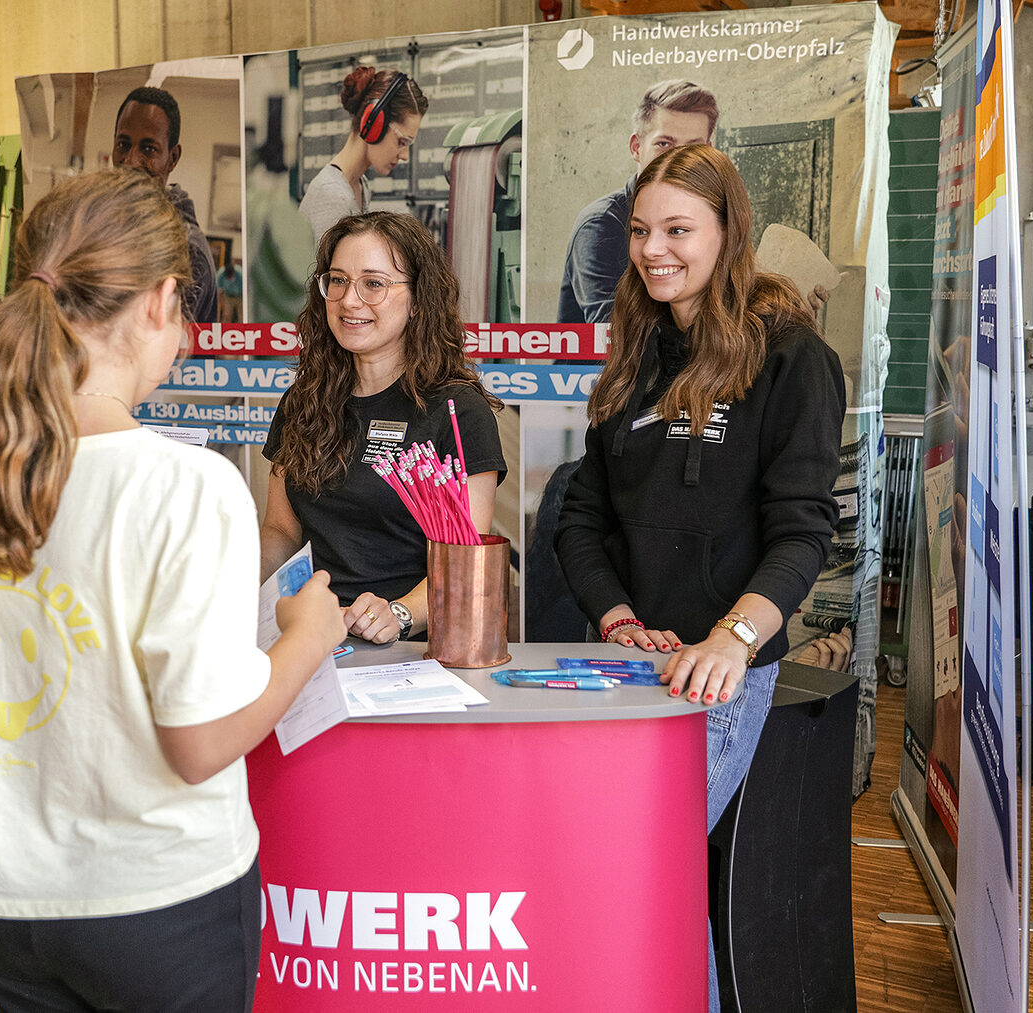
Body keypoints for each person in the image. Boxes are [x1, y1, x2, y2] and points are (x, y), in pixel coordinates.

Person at [0, 169, 345, 1012]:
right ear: (158, 301)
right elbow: (197, 743)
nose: (184, 337)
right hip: (161, 903)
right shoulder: (186, 485)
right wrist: (304, 639)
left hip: (6, 904)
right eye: (184, 312)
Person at [553, 144, 843, 1011]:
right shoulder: (637, 355)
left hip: (723, 678)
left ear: (728, 233)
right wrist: (613, 617)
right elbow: (581, 520)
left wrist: (734, 637)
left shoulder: (791, 359)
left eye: (679, 229)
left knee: (643, 864)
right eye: (642, 229)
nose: (653, 250)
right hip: (631, 664)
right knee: (643, 877)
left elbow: (803, 530)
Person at [261, 211, 506, 644]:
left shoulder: (458, 411)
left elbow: (466, 560)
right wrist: (225, 585)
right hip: (318, 639)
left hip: (415, 648)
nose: (349, 300)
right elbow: (281, 531)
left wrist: (399, 614)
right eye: (337, 281)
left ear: (417, 299)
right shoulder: (305, 399)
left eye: (373, 284)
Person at [557, 79, 718, 324]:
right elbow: (612, 336)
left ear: (710, 151)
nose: (678, 159)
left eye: (693, 148)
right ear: (636, 147)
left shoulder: (714, 215)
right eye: (664, 144)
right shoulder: (601, 224)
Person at [112, 85, 218, 323]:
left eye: (148, 149)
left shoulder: (185, 250)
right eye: (123, 144)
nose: (130, 160)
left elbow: (154, 349)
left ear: (172, 158)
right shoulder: (122, 227)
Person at [299, 66, 428, 242]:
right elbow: (322, 269)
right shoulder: (333, 195)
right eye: (402, 141)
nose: (405, 155)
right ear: (374, 123)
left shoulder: (361, 185)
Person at [217, 258, 242, 323]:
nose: (231, 280)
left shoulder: (240, 274)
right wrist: (221, 303)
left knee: (241, 315)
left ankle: (243, 329)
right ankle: (225, 329)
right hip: (228, 295)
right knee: (226, 315)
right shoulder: (220, 274)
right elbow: (218, 291)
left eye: (231, 277)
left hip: (240, 296)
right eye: (229, 278)